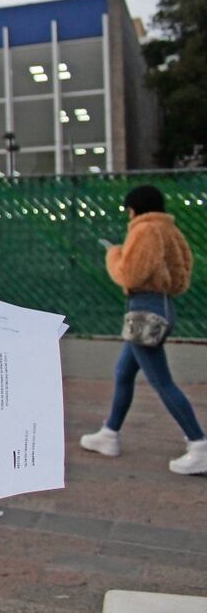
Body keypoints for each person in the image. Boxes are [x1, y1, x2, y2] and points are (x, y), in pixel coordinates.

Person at [80, 185, 206, 475]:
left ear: (135, 208)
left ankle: (199, 443)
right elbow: (183, 271)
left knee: (161, 381)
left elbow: (130, 273)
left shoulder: (145, 230)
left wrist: (114, 254)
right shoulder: (169, 230)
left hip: (143, 310)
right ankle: (109, 433)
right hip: (161, 306)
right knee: (124, 372)